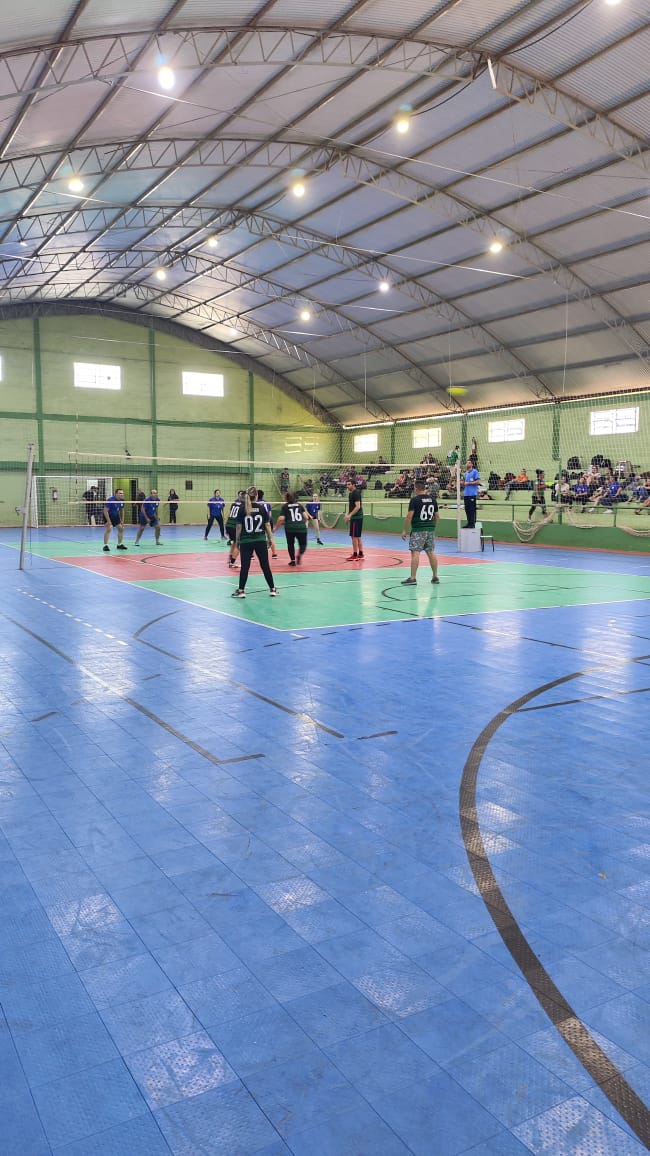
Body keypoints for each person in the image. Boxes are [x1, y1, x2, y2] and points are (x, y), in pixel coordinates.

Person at [231, 485, 278, 599]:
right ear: (256, 496)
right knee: (265, 565)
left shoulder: (243, 508)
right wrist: (270, 539)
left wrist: (237, 540)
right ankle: (272, 589)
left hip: (246, 541)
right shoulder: (261, 508)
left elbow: (238, 526)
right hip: (260, 540)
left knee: (245, 566)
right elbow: (267, 525)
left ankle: (241, 591)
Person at [400, 478, 440, 585]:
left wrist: (404, 530)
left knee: (415, 552)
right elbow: (437, 516)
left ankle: (413, 578)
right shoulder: (432, 499)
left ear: (416, 489)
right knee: (431, 552)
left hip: (418, 530)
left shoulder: (414, 500)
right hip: (430, 530)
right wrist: (432, 528)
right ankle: (435, 576)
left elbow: (409, 516)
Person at [275, 491, 308, 565]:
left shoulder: (285, 506)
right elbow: (306, 517)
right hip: (301, 528)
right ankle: (300, 554)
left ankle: (293, 561)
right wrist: (302, 523)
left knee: (290, 544)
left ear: (286, 498)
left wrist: (276, 528)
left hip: (289, 528)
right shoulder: (299, 505)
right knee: (303, 544)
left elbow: (281, 519)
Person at [345, 478, 364, 560]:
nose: (347, 486)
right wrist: (347, 514)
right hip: (355, 517)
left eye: (349, 484)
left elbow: (358, 506)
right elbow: (351, 507)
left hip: (357, 517)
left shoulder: (356, 493)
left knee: (354, 536)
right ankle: (361, 553)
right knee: (357, 536)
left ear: (353, 485)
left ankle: (355, 554)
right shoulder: (351, 493)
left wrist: (349, 515)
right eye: (347, 484)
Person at [226, 491, 245, 568]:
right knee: (238, 545)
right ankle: (232, 562)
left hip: (229, 525)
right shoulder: (244, 506)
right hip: (234, 526)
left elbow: (229, 514)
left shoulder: (234, 503)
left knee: (234, 542)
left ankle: (230, 558)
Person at [257, 490, 277, 557]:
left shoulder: (255, 503)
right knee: (270, 537)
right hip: (268, 520)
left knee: (255, 537)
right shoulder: (267, 502)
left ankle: (252, 555)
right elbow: (270, 514)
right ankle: (274, 554)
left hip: (259, 521)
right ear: (263, 495)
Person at [461, 459, 480, 529]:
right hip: (466, 494)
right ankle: (469, 523)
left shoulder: (475, 471)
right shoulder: (466, 473)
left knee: (472, 509)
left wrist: (468, 483)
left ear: (472, 464)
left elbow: (478, 482)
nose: (467, 464)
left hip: (472, 494)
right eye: (467, 463)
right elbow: (464, 483)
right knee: (467, 509)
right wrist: (462, 483)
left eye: (469, 462)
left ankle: (473, 523)